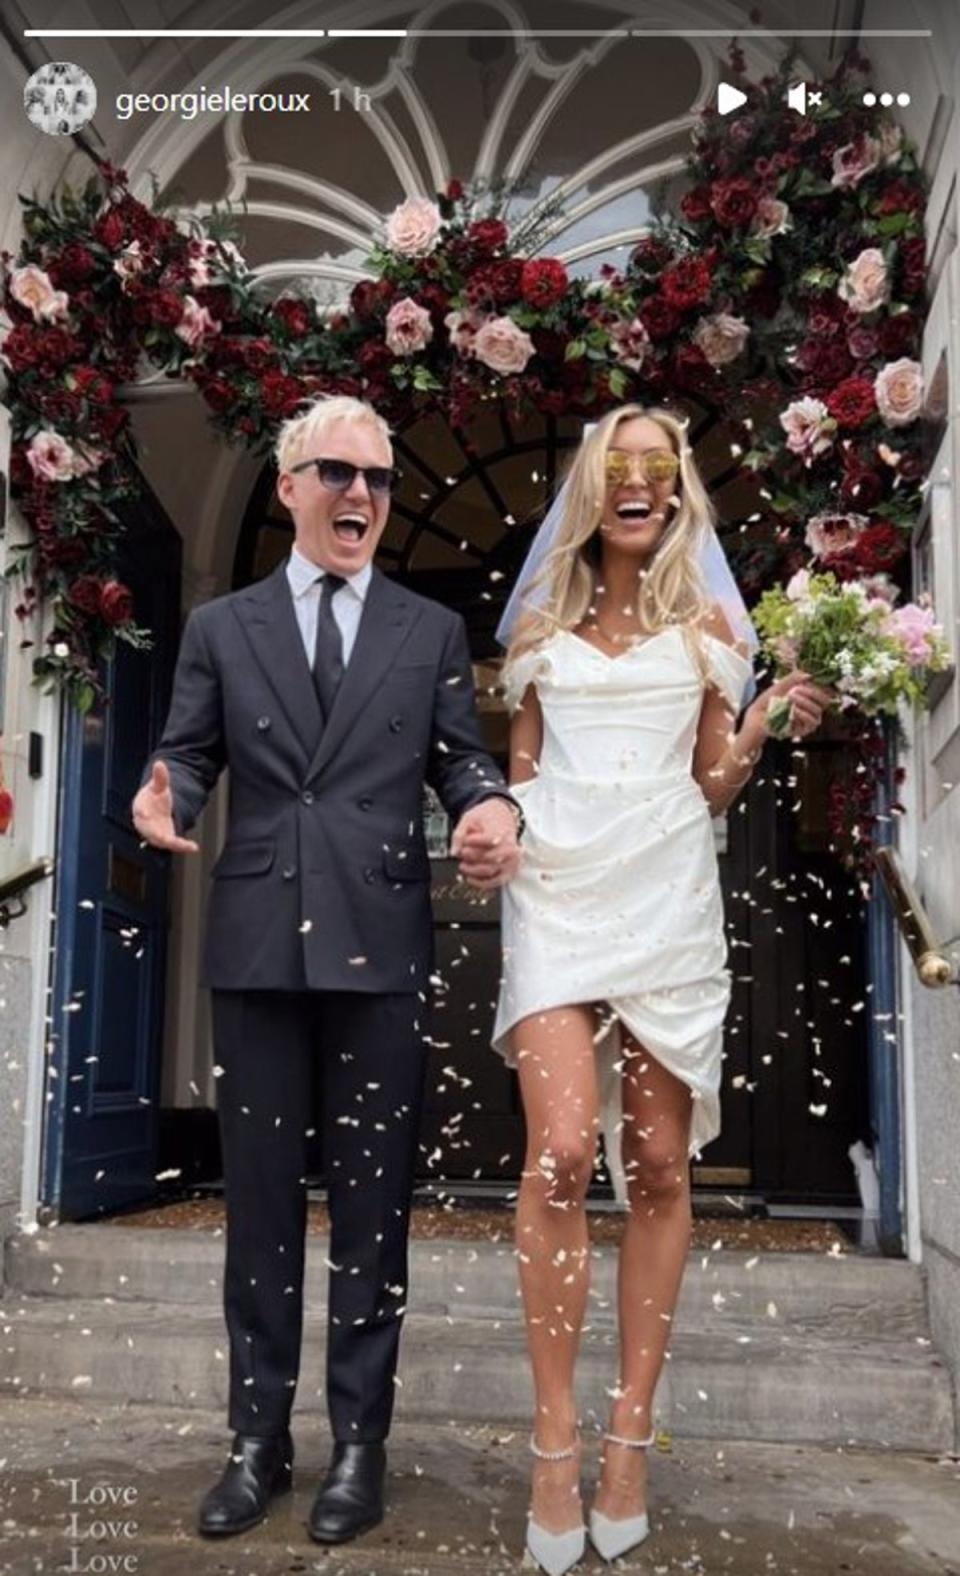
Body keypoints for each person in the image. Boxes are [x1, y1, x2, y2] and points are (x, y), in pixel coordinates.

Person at [131, 395, 523, 1546]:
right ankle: (257, 1441)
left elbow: (462, 760)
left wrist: (492, 805)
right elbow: (187, 750)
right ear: (293, 485)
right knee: (256, 1208)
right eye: (341, 474)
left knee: (370, 1210)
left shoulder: (428, 631)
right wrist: (165, 791)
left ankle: (361, 1443)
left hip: (381, 948)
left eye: (383, 480)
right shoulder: (221, 626)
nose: (364, 496)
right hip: (256, 945)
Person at [489, 404, 832, 1575]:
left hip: (669, 899)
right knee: (560, 1154)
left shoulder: (712, 631)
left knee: (663, 1166)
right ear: (593, 487)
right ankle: (553, 1436)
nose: (638, 484)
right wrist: (496, 837)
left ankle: (628, 1436)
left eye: (660, 468)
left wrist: (767, 723)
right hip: (557, 892)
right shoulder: (538, 623)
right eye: (617, 468)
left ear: (681, 489)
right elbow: (520, 774)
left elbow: (714, 783)